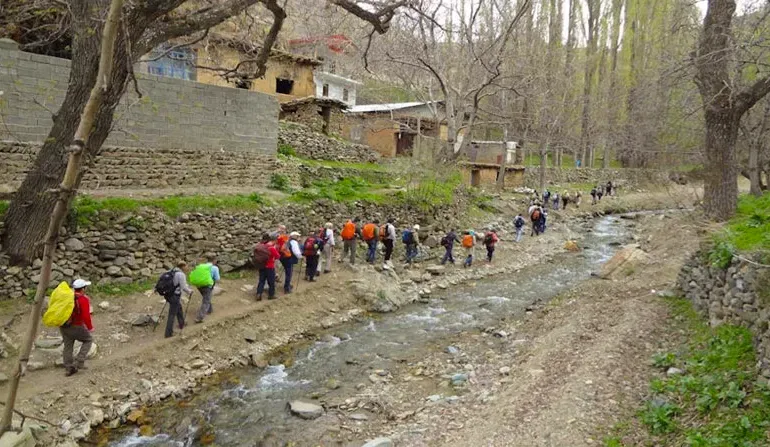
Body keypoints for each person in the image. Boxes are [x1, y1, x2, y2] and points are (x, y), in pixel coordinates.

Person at [62, 279, 94, 376]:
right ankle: (79, 362)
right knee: (88, 340)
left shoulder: (67, 297)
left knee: (68, 346)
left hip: (64, 326)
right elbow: (86, 316)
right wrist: (90, 327)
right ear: (83, 288)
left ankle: (68, 367)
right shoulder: (83, 299)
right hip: (77, 325)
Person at [166, 262, 192, 338]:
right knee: (172, 314)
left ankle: (182, 323)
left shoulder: (170, 271)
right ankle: (168, 333)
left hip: (168, 294)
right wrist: (190, 291)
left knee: (178, 308)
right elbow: (184, 287)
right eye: (187, 266)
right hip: (175, 295)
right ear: (183, 266)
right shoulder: (181, 275)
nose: (187, 267)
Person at [194, 255, 221, 323]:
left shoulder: (201, 266)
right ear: (214, 260)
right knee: (206, 301)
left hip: (199, 285)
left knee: (207, 297)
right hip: (207, 286)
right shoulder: (214, 268)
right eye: (216, 260)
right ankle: (199, 318)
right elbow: (217, 279)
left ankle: (210, 310)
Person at [256, 234, 280, 300]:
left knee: (261, 281)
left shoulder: (262, 246)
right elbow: (278, 256)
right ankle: (271, 295)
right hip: (270, 266)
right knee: (271, 281)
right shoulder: (272, 248)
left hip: (262, 265)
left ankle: (259, 294)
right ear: (274, 240)